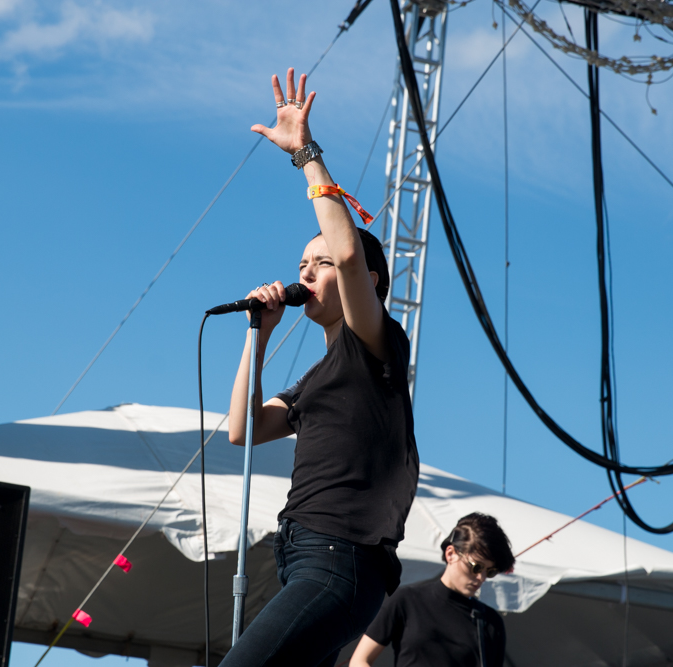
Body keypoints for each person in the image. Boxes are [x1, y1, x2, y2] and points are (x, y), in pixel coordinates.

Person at [220, 68, 419, 667]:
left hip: (341, 558)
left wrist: (306, 155)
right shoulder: (319, 377)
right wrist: (259, 336)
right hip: (305, 556)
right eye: (302, 262)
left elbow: (353, 250)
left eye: (320, 261)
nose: (305, 272)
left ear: (367, 284)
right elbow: (243, 430)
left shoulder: (375, 342)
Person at [349, 513, 516, 667]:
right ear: (451, 554)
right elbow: (359, 660)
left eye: (490, 571)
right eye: (476, 567)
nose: (481, 577)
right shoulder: (407, 600)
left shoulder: (491, 622)